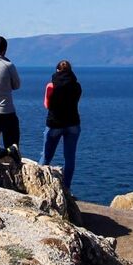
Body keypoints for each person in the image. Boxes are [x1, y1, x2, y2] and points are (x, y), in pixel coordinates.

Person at [42, 60, 81, 191]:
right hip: (73, 123)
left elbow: (47, 105)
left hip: (55, 123)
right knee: (69, 158)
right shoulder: (77, 86)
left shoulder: (51, 86)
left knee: (46, 157)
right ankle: (66, 189)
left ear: (57, 70)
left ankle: (40, 186)